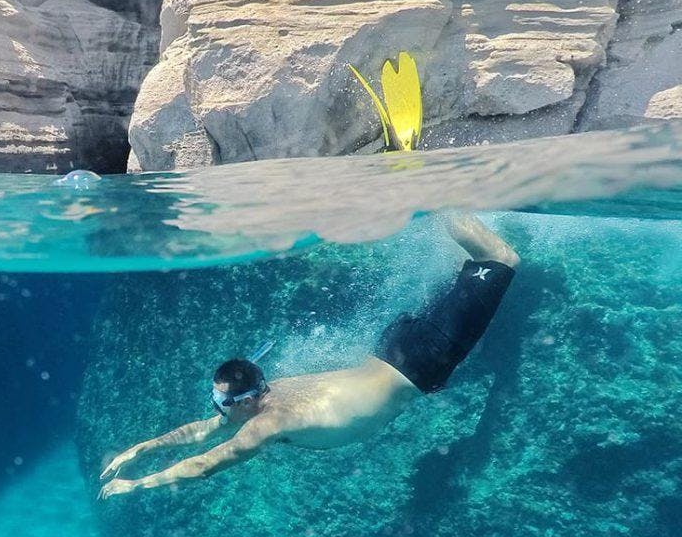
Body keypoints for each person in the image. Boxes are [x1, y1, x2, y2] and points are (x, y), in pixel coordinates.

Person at [98, 213, 519, 499]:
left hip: (422, 360)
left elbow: (205, 464)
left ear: (248, 399)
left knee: (501, 260)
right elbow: (201, 432)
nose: (218, 408)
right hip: (395, 348)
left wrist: (135, 485)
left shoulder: (267, 423)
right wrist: (139, 449)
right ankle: (449, 217)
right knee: (469, 271)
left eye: (223, 401)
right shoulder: (267, 395)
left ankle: (436, 203)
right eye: (216, 399)